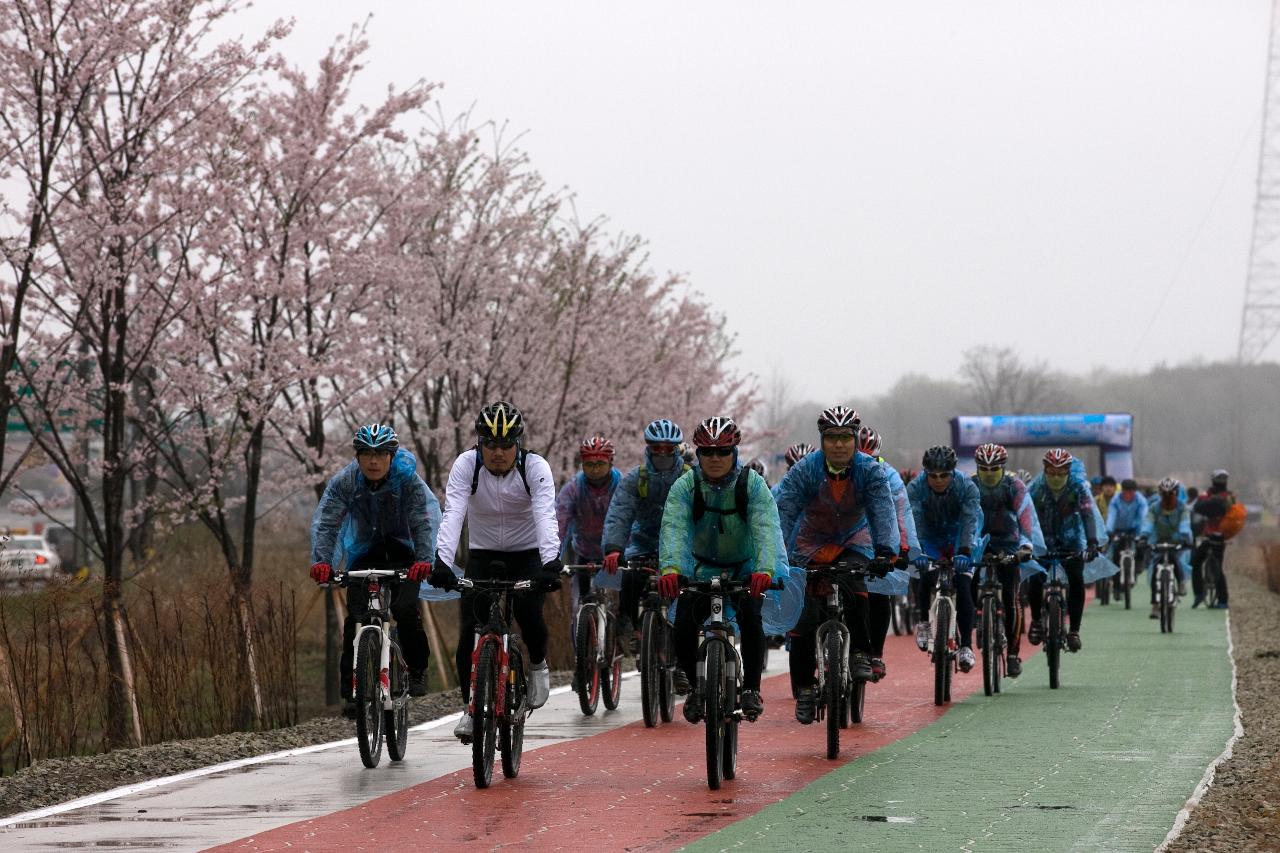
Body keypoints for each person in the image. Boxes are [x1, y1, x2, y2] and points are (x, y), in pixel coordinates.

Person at [429, 401, 562, 739]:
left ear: (518, 444)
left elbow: (545, 516)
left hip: (528, 554)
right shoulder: (466, 466)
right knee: (467, 634)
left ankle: (537, 663)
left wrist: (550, 562)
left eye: (506, 445)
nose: (498, 453)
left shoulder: (535, 468)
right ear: (480, 444)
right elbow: (454, 513)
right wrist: (442, 561)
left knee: (530, 615)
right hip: (482, 554)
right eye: (490, 445)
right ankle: (471, 710)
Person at [773, 408, 897, 723]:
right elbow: (785, 510)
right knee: (804, 616)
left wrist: (886, 551)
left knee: (856, 583)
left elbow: (883, 509)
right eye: (832, 438)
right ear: (823, 441)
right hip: (810, 543)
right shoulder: (805, 470)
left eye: (845, 438)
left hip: (853, 540)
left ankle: (860, 653)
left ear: (854, 440)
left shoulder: (870, 470)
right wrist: (776, 555)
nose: (839, 445)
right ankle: (803, 688)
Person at [310, 424, 439, 719]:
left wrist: (423, 559)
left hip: (404, 553)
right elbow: (328, 522)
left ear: (392, 456)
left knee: (406, 609)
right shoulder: (346, 482)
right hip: (365, 553)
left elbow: (422, 521)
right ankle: (352, 692)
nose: (373, 461)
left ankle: (417, 671)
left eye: (381, 454)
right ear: (357, 457)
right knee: (355, 617)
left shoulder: (408, 481)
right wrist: (323, 562)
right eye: (366, 454)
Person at [659, 416, 782, 722]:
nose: (715, 459)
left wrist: (765, 569)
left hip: (745, 569)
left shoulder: (751, 485)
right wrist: (671, 568)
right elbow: (674, 527)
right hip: (701, 569)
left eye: (722, 452)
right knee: (684, 621)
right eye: (707, 452)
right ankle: (694, 689)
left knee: (752, 617)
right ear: (698, 454)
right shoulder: (685, 486)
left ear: (734, 453)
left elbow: (766, 527)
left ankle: (752, 688)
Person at [601, 418, 689, 663]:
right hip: (643, 543)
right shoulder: (636, 478)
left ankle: (682, 658)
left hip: (680, 546)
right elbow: (620, 512)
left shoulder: (689, 478)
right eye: (656, 448)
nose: (662, 453)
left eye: (667, 449)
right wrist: (614, 548)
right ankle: (630, 626)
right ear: (648, 449)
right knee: (630, 576)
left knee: (685, 593)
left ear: (676, 449)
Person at [908, 445, 982, 673]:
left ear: (953, 473)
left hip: (959, 536)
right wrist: (918, 550)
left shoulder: (966, 486)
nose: (938, 480)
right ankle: (923, 622)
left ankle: (966, 646)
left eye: (944, 476)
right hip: (929, 537)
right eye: (933, 476)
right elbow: (914, 521)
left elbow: (970, 520)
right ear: (925, 474)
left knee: (963, 582)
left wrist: (965, 550)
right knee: (926, 575)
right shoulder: (916, 488)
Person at [970, 443, 1041, 678]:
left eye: (994, 469)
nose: (989, 474)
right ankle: (970, 628)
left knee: (1011, 599)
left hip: (1009, 543)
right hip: (978, 542)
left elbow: (1026, 517)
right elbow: (961, 517)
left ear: (1002, 468)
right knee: (966, 585)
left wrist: (1026, 545)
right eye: (984, 469)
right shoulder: (970, 485)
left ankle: (1012, 655)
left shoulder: (1015, 486)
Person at [856, 424, 917, 681]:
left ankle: (876, 653)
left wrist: (903, 548)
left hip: (879, 539)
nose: (867, 464)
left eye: (872, 459)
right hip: (846, 540)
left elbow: (901, 512)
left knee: (879, 594)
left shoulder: (889, 476)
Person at [1027, 448, 1099, 653]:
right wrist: (1024, 541)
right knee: (1035, 577)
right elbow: (1024, 515)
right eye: (1052, 472)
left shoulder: (1078, 487)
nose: (1056, 476)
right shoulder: (1036, 488)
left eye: (1061, 472)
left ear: (1068, 471)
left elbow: (1087, 514)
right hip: (1042, 541)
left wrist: (1092, 542)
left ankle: (1074, 630)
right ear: (1045, 470)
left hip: (1071, 542)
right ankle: (1036, 620)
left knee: (1076, 580)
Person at [556, 436, 621, 650]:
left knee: (618, 603)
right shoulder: (573, 488)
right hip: (583, 553)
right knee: (577, 607)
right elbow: (560, 525)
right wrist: (552, 558)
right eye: (589, 464)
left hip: (616, 552)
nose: (595, 469)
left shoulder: (622, 485)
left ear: (611, 462)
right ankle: (580, 661)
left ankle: (619, 636)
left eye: (600, 464)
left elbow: (632, 519)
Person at [1139, 477, 1192, 617]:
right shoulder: (1154, 507)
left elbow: (1185, 522)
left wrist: (1186, 536)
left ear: (1176, 493)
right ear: (1160, 494)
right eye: (1164, 494)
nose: (1167, 498)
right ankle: (1155, 605)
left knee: (1175, 559)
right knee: (1155, 567)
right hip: (1158, 539)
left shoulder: (1182, 507)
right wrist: (1144, 536)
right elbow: (1148, 522)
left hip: (1177, 539)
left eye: (1171, 494)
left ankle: (1181, 582)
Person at [1190, 470, 1236, 609]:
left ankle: (1199, 594)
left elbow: (1196, 510)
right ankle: (1222, 601)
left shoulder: (1206, 496)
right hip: (1220, 537)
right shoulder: (1229, 497)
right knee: (1218, 568)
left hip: (1210, 535)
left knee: (1196, 562)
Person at [1106, 478, 1148, 563]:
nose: (1128, 495)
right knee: (1109, 553)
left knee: (1140, 548)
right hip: (1117, 530)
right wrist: (1109, 531)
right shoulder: (1115, 500)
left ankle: (1139, 565)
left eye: (1131, 492)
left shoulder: (1141, 500)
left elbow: (1144, 516)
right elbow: (1111, 516)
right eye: (1126, 492)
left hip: (1134, 530)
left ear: (1135, 491)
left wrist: (1144, 532)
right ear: (1122, 490)